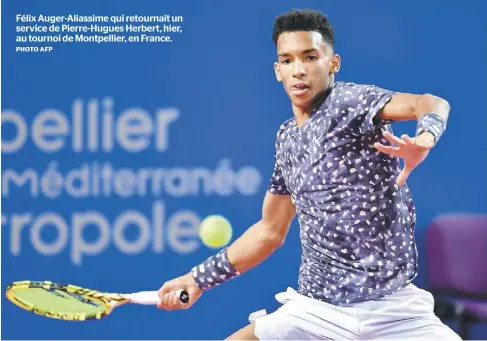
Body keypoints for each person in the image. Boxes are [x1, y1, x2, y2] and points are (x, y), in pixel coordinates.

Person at [157, 8, 461, 340]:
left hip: (395, 312)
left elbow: (430, 103)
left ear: (333, 63)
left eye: (310, 57)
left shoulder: (351, 103)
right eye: (287, 61)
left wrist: (425, 138)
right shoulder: (287, 139)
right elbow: (270, 230)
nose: (298, 70)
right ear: (277, 70)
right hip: (317, 310)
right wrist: (198, 278)